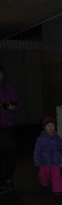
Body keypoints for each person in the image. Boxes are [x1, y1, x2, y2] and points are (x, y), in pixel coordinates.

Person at [33, 116, 62, 195]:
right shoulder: (40, 139)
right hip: (44, 162)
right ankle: (44, 183)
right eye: (48, 125)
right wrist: (37, 161)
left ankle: (58, 190)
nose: (50, 127)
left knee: (56, 175)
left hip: (55, 162)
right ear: (44, 127)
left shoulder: (57, 138)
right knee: (44, 175)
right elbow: (37, 151)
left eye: (52, 125)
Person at [0, 63, 20, 194]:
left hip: (8, 126)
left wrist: (13, 107)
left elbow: (18, 104)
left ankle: (8, 179)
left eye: (1, 74)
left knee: (11, 152)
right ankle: (1, 182)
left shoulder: (8, 87)